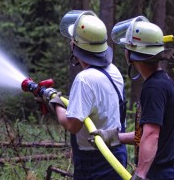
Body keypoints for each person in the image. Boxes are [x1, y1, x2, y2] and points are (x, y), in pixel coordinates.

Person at [98, 16, 174, 180]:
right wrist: (114, 137)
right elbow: (149, 133)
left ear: (130, 53)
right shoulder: (163, 82)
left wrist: (141, 174)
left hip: (159, 174)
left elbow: (151, 135)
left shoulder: (153, 87)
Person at [48, 10, 127, 180]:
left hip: (93, 161)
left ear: (76, 47)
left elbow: (73, 125)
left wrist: (56, 104)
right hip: (117, 155)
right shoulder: (113, 71)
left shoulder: (84, 79)